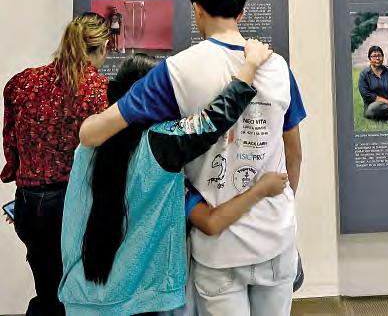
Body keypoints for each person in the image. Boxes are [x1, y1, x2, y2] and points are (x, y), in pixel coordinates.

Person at [78, 0, 306, 316]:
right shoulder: (277, 67)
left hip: (218, 245)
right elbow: (294, 153)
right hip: (276, 232)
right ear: (242, 12)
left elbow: (91, 133)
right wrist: (283, 205)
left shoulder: (176, 72)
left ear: (196, 8)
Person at [59, 45, 282, 316]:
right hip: (142, 298)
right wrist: (250, 66)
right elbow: (210, 123)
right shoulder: (159, 141)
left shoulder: (88, 145)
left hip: (81, 296)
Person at [1, 15, 109, 316]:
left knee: (46, 288)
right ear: (103, 47)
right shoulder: (99, 91)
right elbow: (105, 157)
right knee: (73, 295)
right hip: (72, 206)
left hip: (28, 205)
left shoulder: (22, 82)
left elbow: (11, 141)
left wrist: (20, 177)